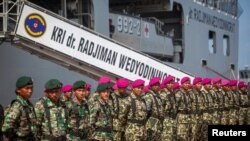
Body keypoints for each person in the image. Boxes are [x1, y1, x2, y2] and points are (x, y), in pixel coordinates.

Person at [2, 76, 37, 141]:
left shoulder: (28, 104)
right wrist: (16, 137)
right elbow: (6, 128)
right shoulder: (17, 105)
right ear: (18, 90)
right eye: (27, 88)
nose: (30, 91)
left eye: (31, 88)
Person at [144, 77, 164, 141]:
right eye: (155, 85)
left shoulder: (158, 97)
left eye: (158, 85)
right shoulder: (149, 96)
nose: (157, 87)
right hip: (151, 121)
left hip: (157, 122)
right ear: (151, 86)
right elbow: (146, 111)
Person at [161, 76, 178, 141]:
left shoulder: (172, 95)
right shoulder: (164, 94)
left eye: (172, 83)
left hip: (172, 121)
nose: (171, 85)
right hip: (165, 121)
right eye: (169, 83)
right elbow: (161, 109)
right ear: (166, 84)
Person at [175, 77, 192, 141]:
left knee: (186, 137)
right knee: (180, 137)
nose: (188, 85)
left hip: (187, 118)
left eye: (188, 83)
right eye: (186, 83)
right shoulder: (179, 93)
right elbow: (175, 106)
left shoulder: (187, 94)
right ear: (182, 84)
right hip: (181, 118)